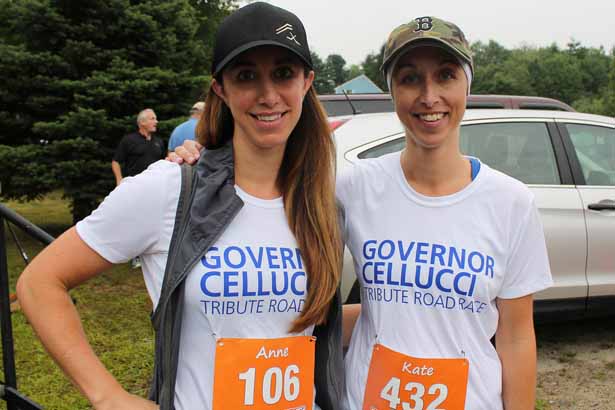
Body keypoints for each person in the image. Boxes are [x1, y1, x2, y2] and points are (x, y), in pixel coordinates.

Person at [171, 16, 553, 410]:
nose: (429, 96)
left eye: (446, 76)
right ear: (391, 91)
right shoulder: (352, 187)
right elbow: (263, 190)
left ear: (467, 85)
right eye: (409, 79)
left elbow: (517, 335)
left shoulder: (511, 202)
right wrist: (202, 159)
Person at [16, 3, 344, 410]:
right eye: (246, 76)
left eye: (283, 73)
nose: (268, 95)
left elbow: (303, 327)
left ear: (307, 82)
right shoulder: (170, 188)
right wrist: (108, 396)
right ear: (220, 89)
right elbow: (39, 283)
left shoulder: (321, 203)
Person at [111, 108, 165, 186]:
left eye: (156, 119)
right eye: (152, 119)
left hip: (154, 185)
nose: (156, 122)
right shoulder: (129, 140)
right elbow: (115, 162)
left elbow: (163, 163)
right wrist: (119, 180)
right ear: (142, 122)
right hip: (133, 185)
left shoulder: (159, 142)